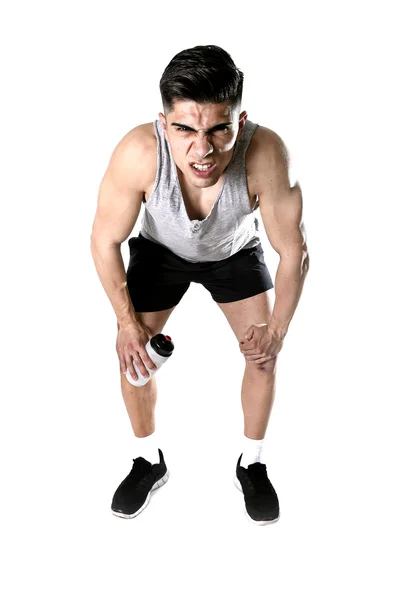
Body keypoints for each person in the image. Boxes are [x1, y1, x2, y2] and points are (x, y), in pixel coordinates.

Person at [90, 44, 310, 525]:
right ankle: (148, 460)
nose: (202, 149)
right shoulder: (138, 154)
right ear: (164, 124)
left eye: (218, 129)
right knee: (133, 361)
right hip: (161, 252)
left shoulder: (265, 153)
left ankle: (251, 463)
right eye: (185, 129)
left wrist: (276, 329)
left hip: (233, 252)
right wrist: (127, 324)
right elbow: (104, 241)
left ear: (241, 120)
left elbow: (294, 252)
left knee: (263, 356)